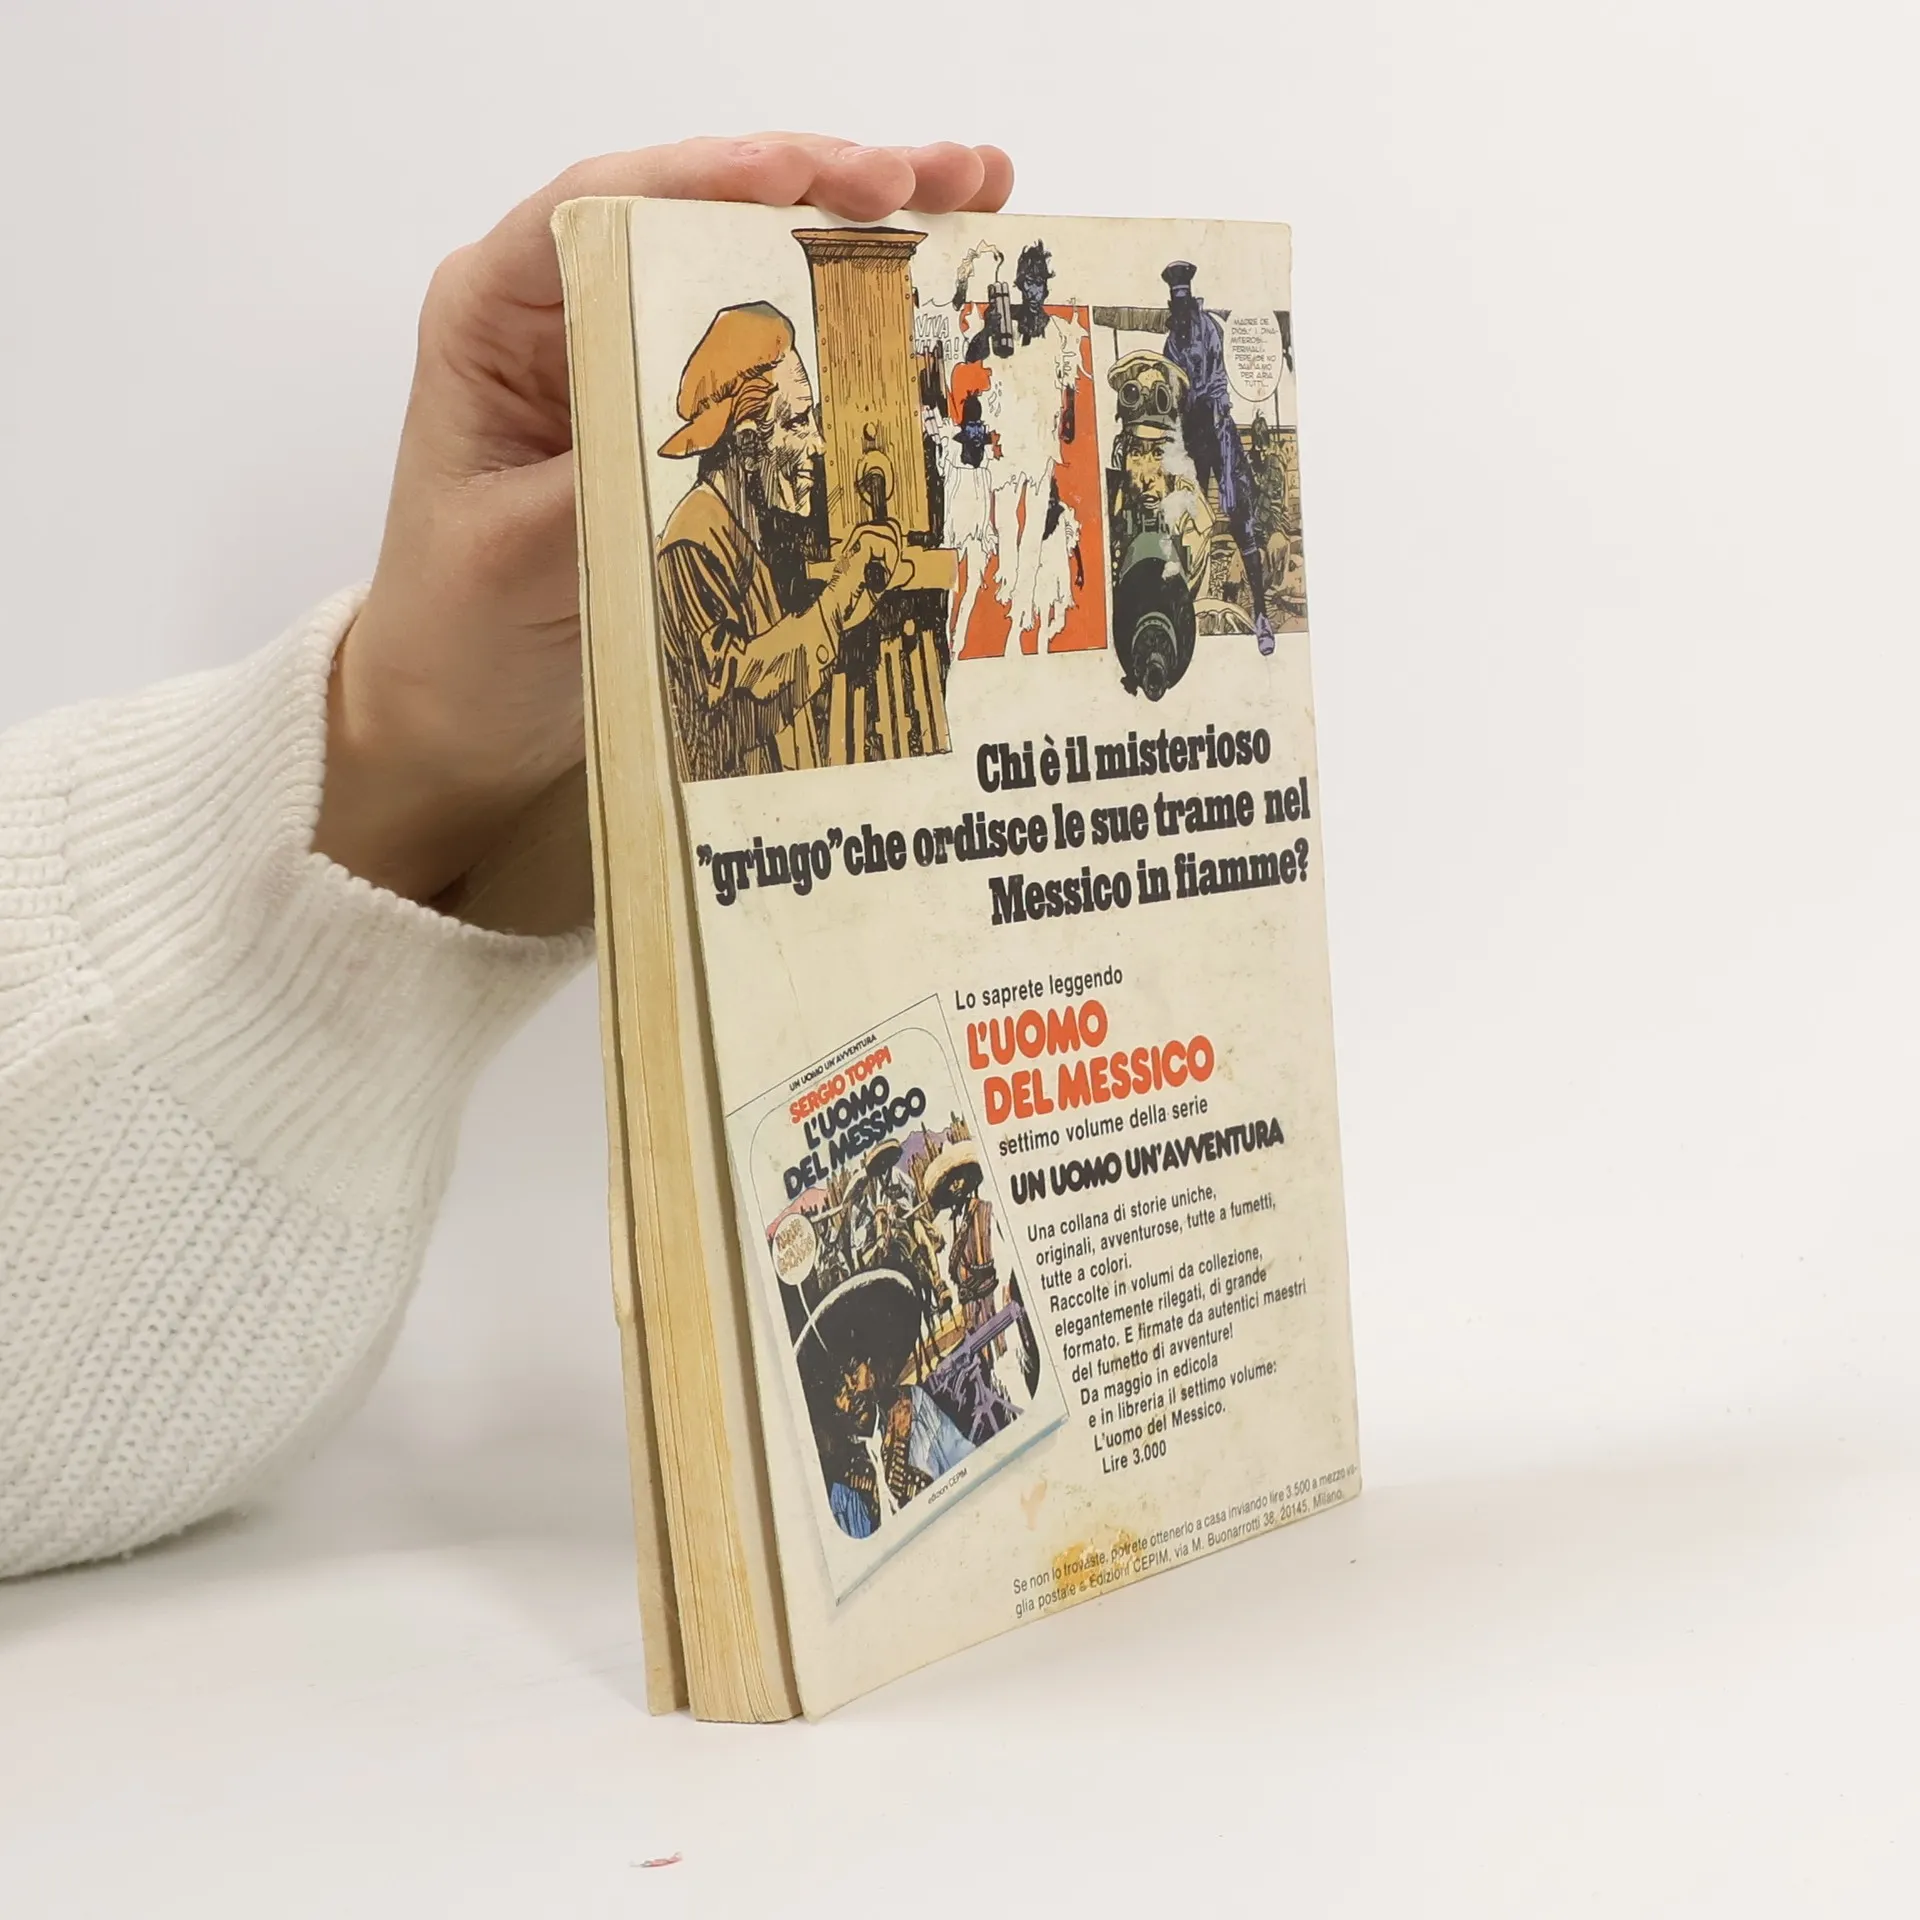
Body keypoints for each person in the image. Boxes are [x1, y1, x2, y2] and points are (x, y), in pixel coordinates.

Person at [0, 133, 1014, 1583]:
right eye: (789, 416)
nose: (809, 442)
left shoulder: (762, 533)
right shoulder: (699, 543)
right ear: (735, 432)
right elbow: (737, 679)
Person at [652, 302, 911, 780]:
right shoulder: (692, 544)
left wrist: (852, 599)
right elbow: (736, 697)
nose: (818, 445)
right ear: (748, 443)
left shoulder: (747, 531)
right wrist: (837, 601)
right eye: (797, 423)